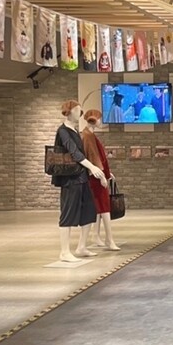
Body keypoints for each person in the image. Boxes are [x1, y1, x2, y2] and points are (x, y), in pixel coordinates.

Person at [52, 100, 106, 262]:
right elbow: (74, 153)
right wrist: (92, 167)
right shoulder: (63, 131)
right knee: (68, 213)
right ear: (68, 112)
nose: (79, 113)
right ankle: (64, 251)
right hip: (69, 178)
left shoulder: (74, 131)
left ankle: (81, 247)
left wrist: (92, 170)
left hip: (81, 177)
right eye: (77, 110)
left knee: (89, 210)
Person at [81, 109, 120, 252]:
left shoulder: (89, 134)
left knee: (99, 208)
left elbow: (96, 157)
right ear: (94, 119)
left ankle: (96, 236)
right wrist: (102, 176)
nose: (101, 121)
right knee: (104, 207)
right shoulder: (88, 136)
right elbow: (93, 157)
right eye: (99, 119)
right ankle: (109, 239)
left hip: (97, 175)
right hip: (95, 178)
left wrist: (107, 173)